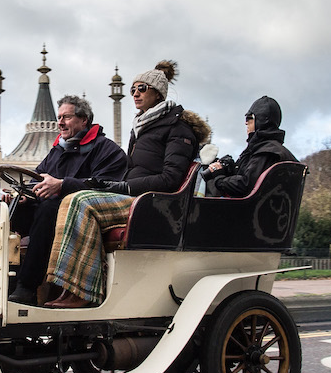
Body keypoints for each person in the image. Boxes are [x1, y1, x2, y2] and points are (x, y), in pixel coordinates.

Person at [41, 60, 211, 308]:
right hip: (134, 197)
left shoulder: (178, 129)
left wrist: (125, 187)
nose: (135, 94)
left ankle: (84, 292)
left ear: (158, 92)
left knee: (80, 201)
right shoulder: (141, 128)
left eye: (142, 88)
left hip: (156, 203)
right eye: (132, 89)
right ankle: (65, 287)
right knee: (73, 198)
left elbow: (171, 179)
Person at [6, 95, 127, 305]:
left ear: (84, 120)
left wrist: (63, 185)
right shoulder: (57, 150)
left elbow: (105, 186)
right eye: (59, 117)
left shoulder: (107, 150)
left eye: (66, 117)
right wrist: (23, 196)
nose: (60, 122)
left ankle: (26, 288)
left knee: (50, 209)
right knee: (10, 213)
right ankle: (4, 282)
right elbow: (37, 181)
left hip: (80, 213)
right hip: (51, 210)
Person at [202, 96, 297, 197]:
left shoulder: (265, 151)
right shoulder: (277, 151)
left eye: (249, 118)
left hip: (248, 211)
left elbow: (245, 186)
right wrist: (231, 170)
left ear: (261, 120)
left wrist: (219, 177)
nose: (246, 122)